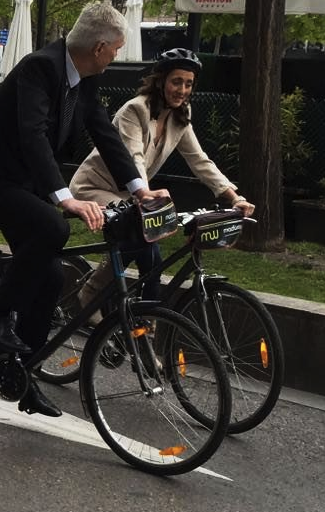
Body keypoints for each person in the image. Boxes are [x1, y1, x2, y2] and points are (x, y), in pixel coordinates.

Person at [0, 2, 169, 418]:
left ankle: (22, 376)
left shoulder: (82, 79)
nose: (117, 56)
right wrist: (64, 197)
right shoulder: (39, 68)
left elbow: (104, 133)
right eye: (117, 49)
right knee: (53, 225)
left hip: (19, 184)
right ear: (100, 48)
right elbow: (32, 135)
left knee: (50, 275)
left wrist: (141, 190)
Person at [69, 47, 255, 314]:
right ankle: (106, 299)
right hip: (93, 187)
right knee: (143, 236)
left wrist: (233, 197)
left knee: (145, 246)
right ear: (161, 81)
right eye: (176, 81)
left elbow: (199, 160)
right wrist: (145, 195)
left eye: (188, 84)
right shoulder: (136, 110)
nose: (182, 90)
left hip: (131, 193)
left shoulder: (180, 116)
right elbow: (134, 157)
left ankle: (144, 313)